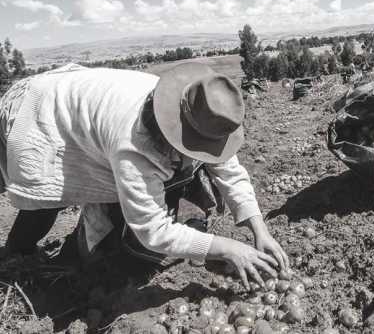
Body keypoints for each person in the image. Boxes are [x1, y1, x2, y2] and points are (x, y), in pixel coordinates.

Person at [0, 62, 288, 290]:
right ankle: (15, 259)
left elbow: (230, 170)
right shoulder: (134, 145)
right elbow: (153, 230)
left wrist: (259, 230)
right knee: (47, 199)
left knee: (174, 176)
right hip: (41, 112)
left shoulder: (200, 111)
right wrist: (227, 248)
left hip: (83, 107)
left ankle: (80, 244)